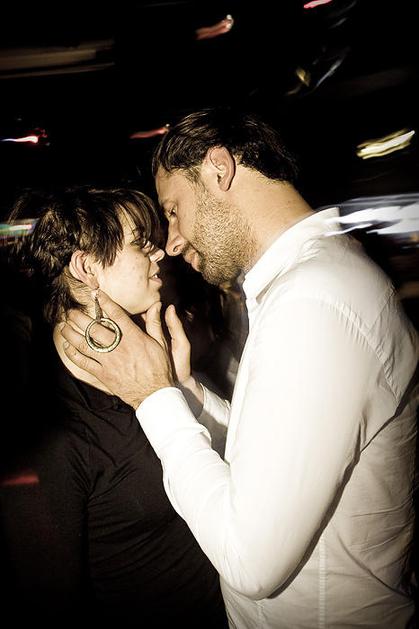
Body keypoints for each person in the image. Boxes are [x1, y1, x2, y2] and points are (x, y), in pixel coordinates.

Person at [61, 107, 419, 628]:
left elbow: (250, 562)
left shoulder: (314, 300)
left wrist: (152, 397)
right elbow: (273, 455)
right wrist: (184, 391)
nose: (171, 242)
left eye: (173, 210)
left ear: (218, 169)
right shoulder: (311, 281)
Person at [1, 185, 229, 628]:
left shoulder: (156, 370)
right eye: (140, 243)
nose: (160, 252)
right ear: (87, 267)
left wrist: (181, 387)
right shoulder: (50, 436)